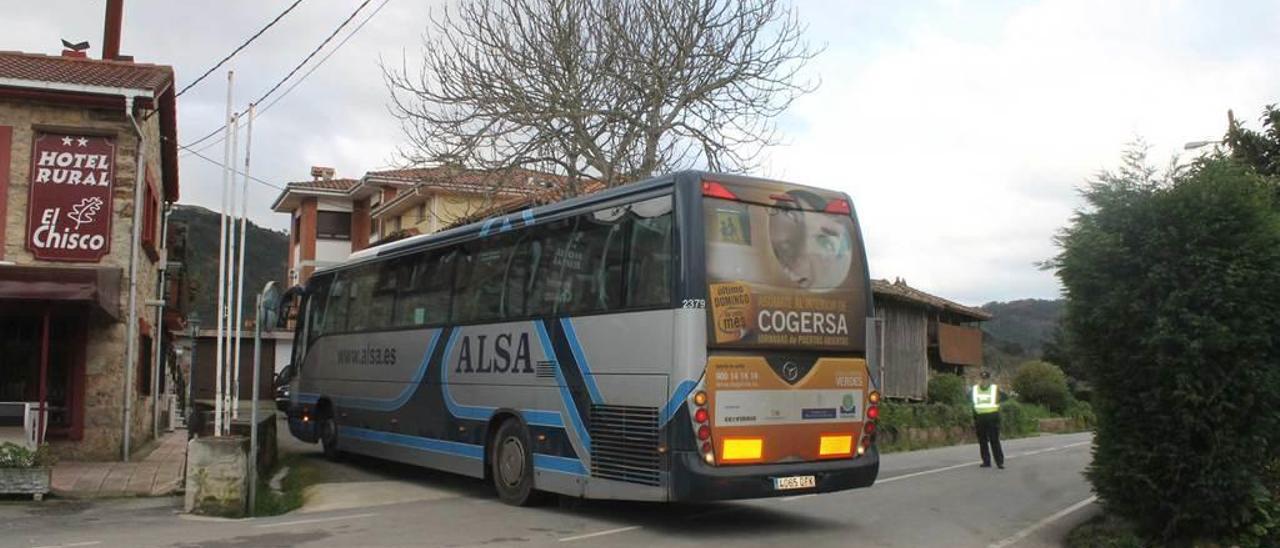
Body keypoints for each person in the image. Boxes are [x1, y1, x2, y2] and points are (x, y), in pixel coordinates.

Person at [972, 371, 1004, 469]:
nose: (984, 381)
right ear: (979, 379)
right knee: (982, 441)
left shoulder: (995, 389)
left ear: (989, 380)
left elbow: (1004, 398)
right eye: (982, 379)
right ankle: (986, 461)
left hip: (992, 417)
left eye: (986, 379)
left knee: (994, 440)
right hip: (980, 418)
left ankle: (999, 462)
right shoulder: (975, 389)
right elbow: (972, 403)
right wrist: (974, 418)